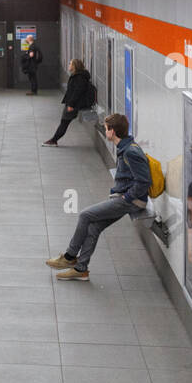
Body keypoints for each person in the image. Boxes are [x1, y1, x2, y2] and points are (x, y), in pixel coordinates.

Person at [45, 113, 150, 281]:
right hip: (122, 196)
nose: (104, 129)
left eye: (106, 128)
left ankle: (70, 256)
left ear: (113, 131)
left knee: (85, 215)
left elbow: (144, 181)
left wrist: (126, 198)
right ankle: (81, 270)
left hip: (129, 200)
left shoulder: (130, 152)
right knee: (93, 228)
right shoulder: (126, 147)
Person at [42, 59, 95, 146]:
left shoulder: (79, 77)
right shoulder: (77, 76)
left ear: (75, 66)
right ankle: (54, 139)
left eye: (70, 63)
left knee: (64, 122)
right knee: (64, 122)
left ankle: (54, 140)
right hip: (72, 103)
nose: (69, 65)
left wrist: (71, 104)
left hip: (73, 104)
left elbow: (77, 92)